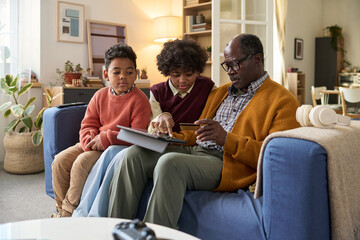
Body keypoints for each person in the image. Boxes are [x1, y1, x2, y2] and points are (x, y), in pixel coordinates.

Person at [107, 33, 301, 229]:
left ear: (257, 60)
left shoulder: (283, 101)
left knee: (170, 163)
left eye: (234, 65)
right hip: (195, 151)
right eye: (227, 66)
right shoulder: (222, 91)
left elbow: (276, 158)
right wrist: (169, 136)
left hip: (226, 162)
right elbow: (199, 132)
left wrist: (226, 139)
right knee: (134, 155)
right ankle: (113, 230)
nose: (230, 72)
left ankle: (151, 236)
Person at [72, 37, 214, 217]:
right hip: (162, 144)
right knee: (64, 162)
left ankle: (90, 215)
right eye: (176, 75)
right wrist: (161, 119)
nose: (182, 80)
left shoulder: (207, 87)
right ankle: (74, 212)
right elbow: (150, 129)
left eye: (189, 74)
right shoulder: (157, 92)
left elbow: (208, 118)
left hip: (188, 146)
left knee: (108, 157)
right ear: (167, 71)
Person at [51, 43, 151, 217]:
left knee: (81, 163)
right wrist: (88, 140)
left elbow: (138, 134)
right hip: (92, 143)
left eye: (129, 72)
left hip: (114, 147)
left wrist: (107, 138)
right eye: (116, 72)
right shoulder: (100, 95)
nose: (123, 77)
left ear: (136, 74)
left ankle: (68, 212)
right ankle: (60, 210)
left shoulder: (140, 100)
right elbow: (88, 124)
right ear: (106, 74)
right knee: (59, 161)